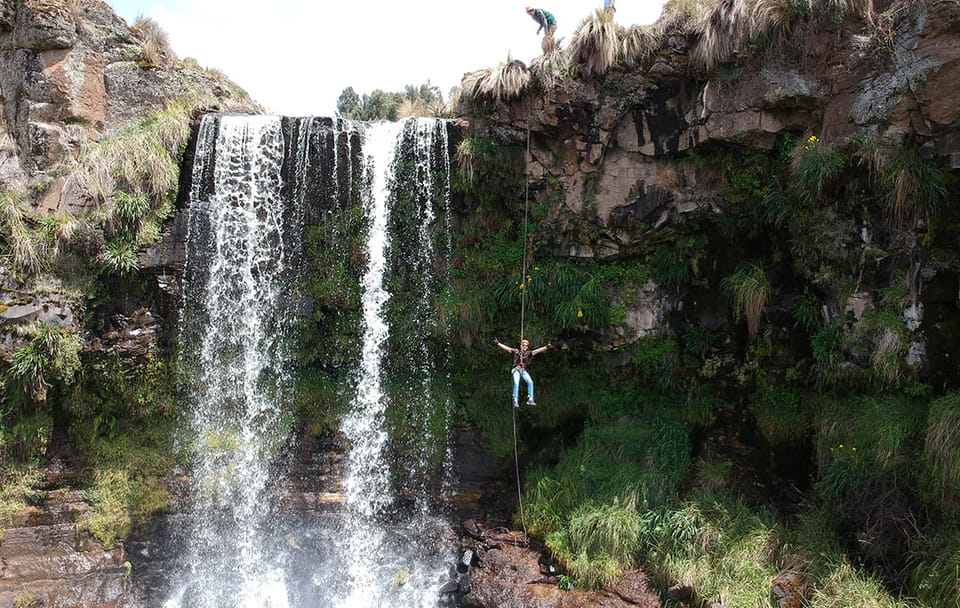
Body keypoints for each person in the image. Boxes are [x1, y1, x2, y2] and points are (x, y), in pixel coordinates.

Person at [494, 337, 553, 408]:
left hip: (523, 370)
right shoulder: (516, 351)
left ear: (527, 347)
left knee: (530, 382)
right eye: (523, 345)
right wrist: (498, 343)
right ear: (521, 346)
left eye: (526, 346)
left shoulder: (528, 353)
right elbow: (507, 349)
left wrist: (546, 347)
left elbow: (537, 351)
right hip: (516, 370)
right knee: (516, 382)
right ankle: (515, 399)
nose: (525, 347)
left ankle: (530, 398)